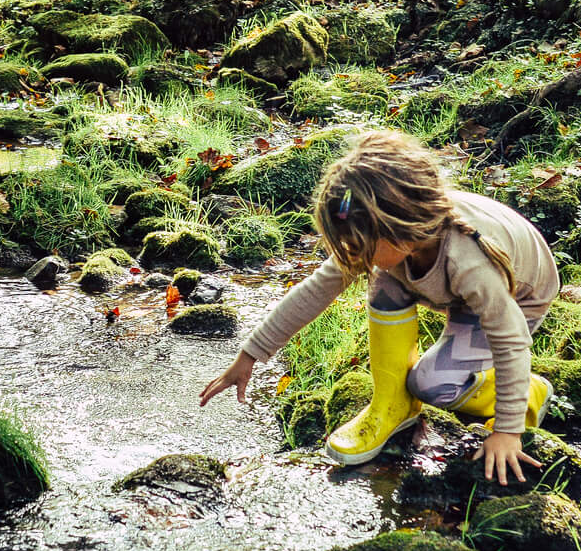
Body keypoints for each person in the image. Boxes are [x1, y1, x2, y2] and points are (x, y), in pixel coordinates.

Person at [198, 130, 560, 487]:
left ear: (399, 231)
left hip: (519, 298)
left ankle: (529, 394)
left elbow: (509, 338)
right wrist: (249, 354)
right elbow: (315, 291)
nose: (352, 258)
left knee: (432, 385)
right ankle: (392, 404)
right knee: (383, 280)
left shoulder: (469, 262)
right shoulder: (389, 236)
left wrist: (509, 431)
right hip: (454, 288)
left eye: (359, 248)